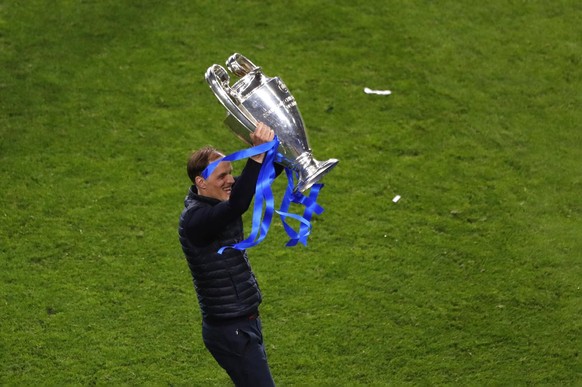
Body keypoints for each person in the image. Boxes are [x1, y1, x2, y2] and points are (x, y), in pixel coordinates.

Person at [178, 122, 278, 387]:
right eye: (221, 176)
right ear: (201, 182)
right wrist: (256, 155)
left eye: (230, 173)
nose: (230, 180)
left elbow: (251, 184)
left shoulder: (221, 202)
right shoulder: (196, 220)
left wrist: (282, 150)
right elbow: (239, 203)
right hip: (229, 330)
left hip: (243, 322)